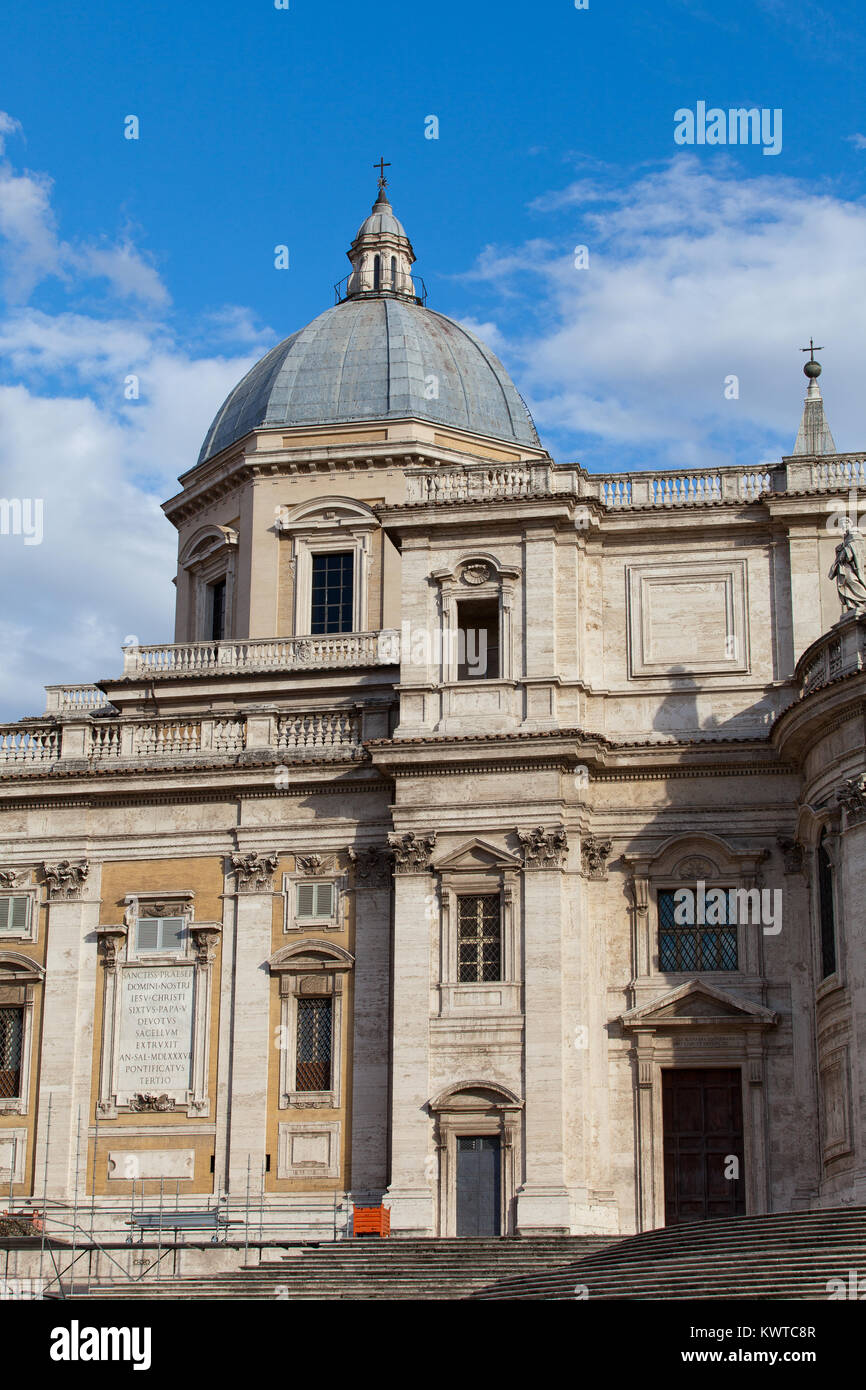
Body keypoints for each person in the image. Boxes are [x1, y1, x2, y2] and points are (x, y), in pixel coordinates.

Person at [829, 527, 866, 613]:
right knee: (847, 583)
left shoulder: (854, 534)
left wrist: (845, 550)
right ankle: (854, 604)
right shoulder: (845, 540)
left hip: (851, 567)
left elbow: (851, 553)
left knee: (852, 580)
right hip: (845, 567)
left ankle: (862, 601)